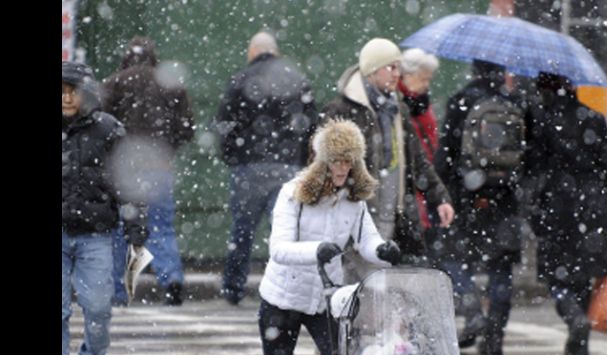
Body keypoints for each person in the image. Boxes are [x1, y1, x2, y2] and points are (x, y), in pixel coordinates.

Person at [255, 119, 401, 355]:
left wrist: (384, 250)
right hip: (283, 298)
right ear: (323, 161)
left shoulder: (354, 199)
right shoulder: (294, 194)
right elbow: (279, 249)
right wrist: (315, 250)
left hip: (325, 299)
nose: (342, 169)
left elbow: (366, 241)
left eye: (348, 162)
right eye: (336, 161)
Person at [523, 72, 607, 355]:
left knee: (556, 275)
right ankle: (579, 339)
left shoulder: (539, 119)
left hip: (556, 205)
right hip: (593, 205)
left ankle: (573, 318)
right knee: (583, 273)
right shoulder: (592, 117)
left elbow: (531, 165)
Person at [322, 37, 455, 271]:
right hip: (354, 215)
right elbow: (321, 163)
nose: (396, 74)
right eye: (390, 67)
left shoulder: (398, 110)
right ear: (373, 70)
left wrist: (440, 198)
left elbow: (417, 160)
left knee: (383, 284)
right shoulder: (342, 110)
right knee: (352, 286)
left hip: (392, 214)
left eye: (398, 68)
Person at [62, 61, 148, 355]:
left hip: (96, 234)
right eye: (61, 90)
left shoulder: (109, 131)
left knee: (98, 309)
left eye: (72, 90)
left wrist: (136, 228)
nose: (66, 97)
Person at [434, 59, 531, 355]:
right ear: (503, 72)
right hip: (506, 200)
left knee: (452, 258)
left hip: (467, 197)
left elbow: (445, 155)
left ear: (474, 70)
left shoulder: (461, 101)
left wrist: (443, 194)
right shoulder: (516, 103)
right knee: (501, 270)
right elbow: (528, 156)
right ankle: (495, 339)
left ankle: (471, 305)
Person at [216, 31, 318, 305]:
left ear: (253, 52)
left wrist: (233, 156)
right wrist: (302, 160)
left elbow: (225, 124)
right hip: (287, 167)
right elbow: (312, 124)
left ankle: (233, 289)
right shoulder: (297, 80)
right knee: (284, 232)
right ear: (276, 52)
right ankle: (287, 289)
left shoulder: (240, 80)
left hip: (249, 166)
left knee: (242, 231)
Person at [103, 36, 195, 306]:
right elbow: (187, 128)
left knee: (119, 229)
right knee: (160, 227)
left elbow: (102, 125)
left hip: (124, 169)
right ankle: (172, 279)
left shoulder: (114, 83)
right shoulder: (171, 85)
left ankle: (118, 292)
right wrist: (167, 147)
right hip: (159, 166)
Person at [397, 48, 443, 262]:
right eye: (423, 79)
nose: (427, 84)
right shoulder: (398, 104)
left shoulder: (422, 102)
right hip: (409, 182)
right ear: (406, 76)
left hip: (424, 178)